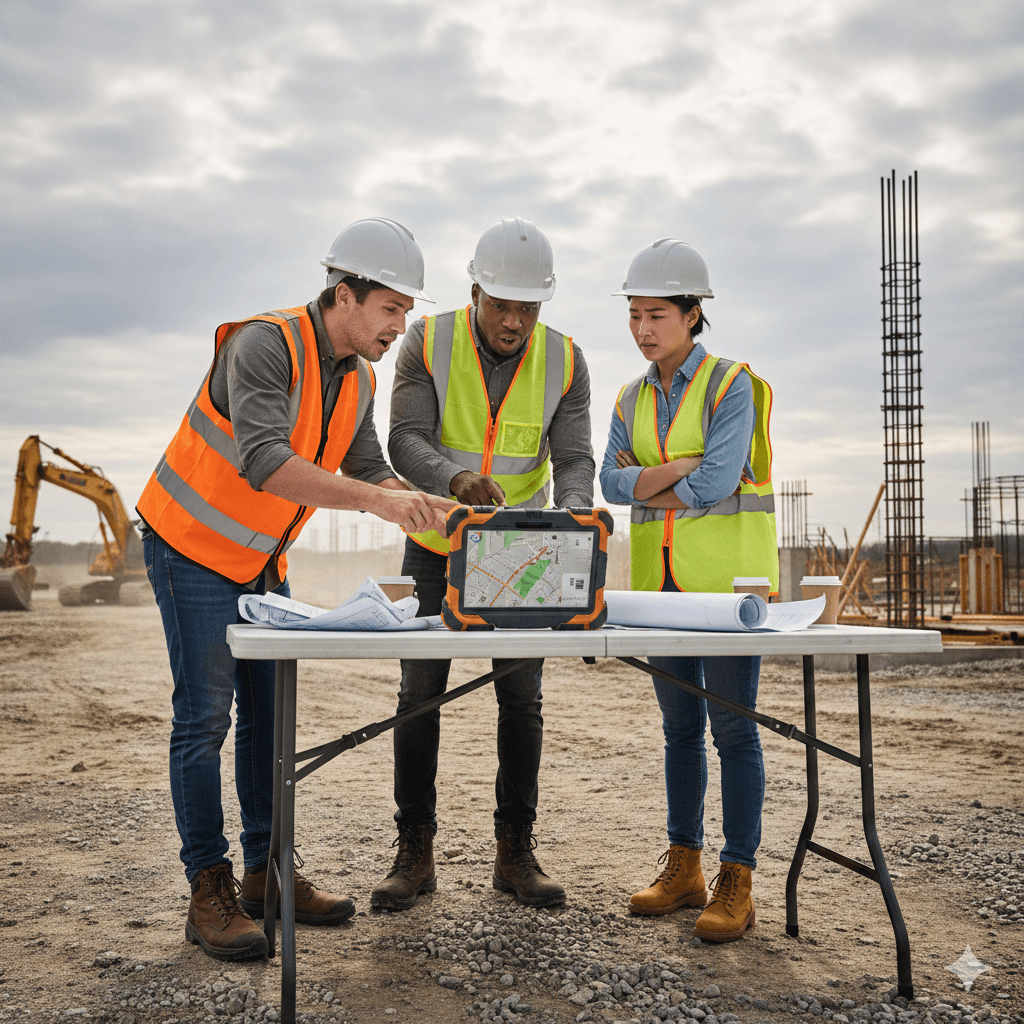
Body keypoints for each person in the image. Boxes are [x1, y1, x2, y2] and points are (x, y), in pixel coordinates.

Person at [136, 218, 456, 961]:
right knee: (205, 718)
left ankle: (266, 874)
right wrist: (377, 502)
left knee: (268, 719)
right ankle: (208, 888)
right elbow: (265, 462)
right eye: (389, 309)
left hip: (257, 560)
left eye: (406, 312)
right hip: (189, 547)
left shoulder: (362, 377)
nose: (399, 326)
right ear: (344, 294)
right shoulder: (264, 344)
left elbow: (368, 465)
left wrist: (416, 499)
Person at [375, 217, 595, 911]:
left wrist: (580, 513)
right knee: (419, 697)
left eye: (528, 308)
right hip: (437, 542)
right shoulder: (427, 341)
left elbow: (575, 460)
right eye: (502, 305)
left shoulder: (565, 360)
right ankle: (414, 852)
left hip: (523, 553)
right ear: (474, 291)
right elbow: (405, 438)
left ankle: (514, 852)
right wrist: (453, 478)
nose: (514, 320)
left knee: (521, 699)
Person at [599, 238, 778, 942]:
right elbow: (608, 487)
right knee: (679, 731)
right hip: (660, 588)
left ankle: (738, 877)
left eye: (657, 316)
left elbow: (718, 484)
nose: (643, 329)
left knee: (734, 730)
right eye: (636, 315)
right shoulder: (628, 396)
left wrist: (655, 477)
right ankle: (685, 867)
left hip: (727, 588)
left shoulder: (734, 385)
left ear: (692, 314)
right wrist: (677, 469)